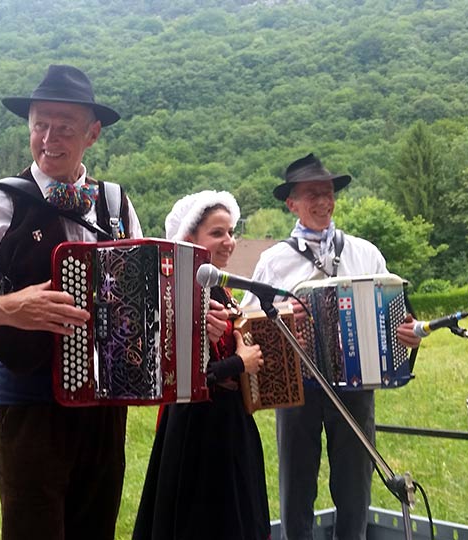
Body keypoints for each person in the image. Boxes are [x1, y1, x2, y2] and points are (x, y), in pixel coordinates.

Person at [0, 64, 142, 540]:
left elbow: (144, 299)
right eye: (40, 124)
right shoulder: (0, 202)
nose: (49, 138)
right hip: (32, 406)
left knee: (95, 530)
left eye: (64, 126)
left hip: (107, 407)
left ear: (93, 133)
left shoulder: (117, 204)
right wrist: (9, 307)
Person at [241, 153, 421, 540]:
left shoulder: (365, 252)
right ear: (291, 203)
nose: (322, 201)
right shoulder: (273, 261)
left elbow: (394, 313)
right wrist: (286, 318)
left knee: (355, 483)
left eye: (326, 193)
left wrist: (404, 333)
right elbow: (249, 324)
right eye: (311, 195)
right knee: (296, 483)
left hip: (356, 385)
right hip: (297, 384)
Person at [132, 190, 271, 540]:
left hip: (230, 423)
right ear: (190, 239)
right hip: (200, 429)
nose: (229, 241)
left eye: (230, 232)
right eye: (217, 233)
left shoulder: (221, 291)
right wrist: (240, 362)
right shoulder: (182, 295)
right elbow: (187, 377)